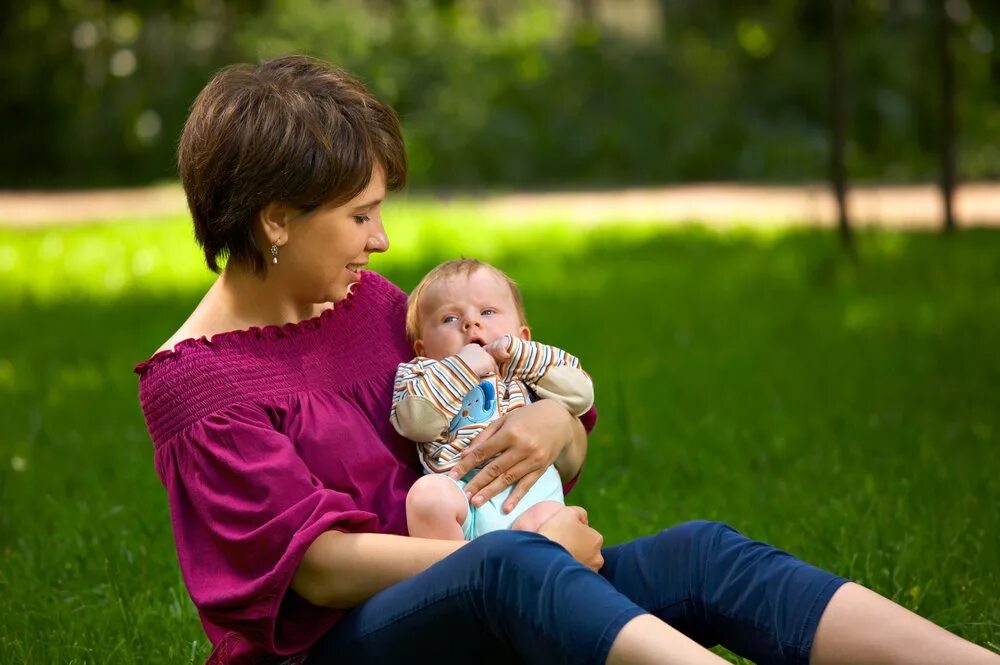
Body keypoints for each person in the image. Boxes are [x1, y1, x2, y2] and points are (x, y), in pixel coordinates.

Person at [135, 55, 999, 665]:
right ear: (277, 219)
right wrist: (530, 560)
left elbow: (543, 432)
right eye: (359, 216)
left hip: (499, 572)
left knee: (697, 553)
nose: (382, 239)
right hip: (343, 644)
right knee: (514, 570)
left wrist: (554, 422)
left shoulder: (373, 308)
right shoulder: (196, 384)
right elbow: (317, 567)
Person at [392, 259, 594, 540]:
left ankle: (542, 572)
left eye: (487, 312)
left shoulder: (527, 368)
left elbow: (581, 395)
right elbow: (416, 424)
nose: (470, 323)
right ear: (422, 348)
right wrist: (460, 368)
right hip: (461, 496)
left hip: (531, 493)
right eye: (449, 319)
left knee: (554, 524)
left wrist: (520, 355)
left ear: (522, 335)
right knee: (426, 497)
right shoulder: (423, 373)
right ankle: (452, 573)